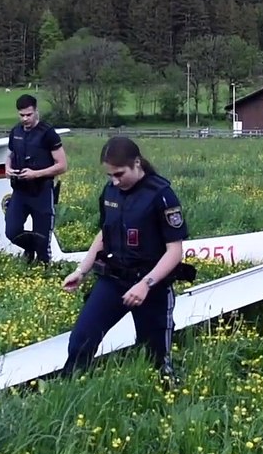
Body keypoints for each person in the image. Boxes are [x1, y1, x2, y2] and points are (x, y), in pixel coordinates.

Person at [59, 137, 192, 383]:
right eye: (110, 175)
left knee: (155, 360)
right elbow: (105, 234)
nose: (115, 181)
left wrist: (146, 285)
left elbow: (175, 251)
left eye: (119, 174)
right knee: (81, 340)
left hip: (151, 287)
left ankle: (162, 391)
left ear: (137, 163)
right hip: (114, 280)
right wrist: (81, 270)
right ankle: (69, 387)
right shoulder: (110, 191)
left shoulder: (161, 195)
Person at [5, 94, 67, 265]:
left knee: (42, 242)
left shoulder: (48, 133)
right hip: (20, 192)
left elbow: (62, 165)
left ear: (36, 111)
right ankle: (30, 248)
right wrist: (7, 168)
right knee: (12, 232)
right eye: (22, 115)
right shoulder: (15, 132)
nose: (25, 119)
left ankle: (43, 265)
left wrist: (36, 174)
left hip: (42, 192)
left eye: (29, 115)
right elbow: (10, 155)